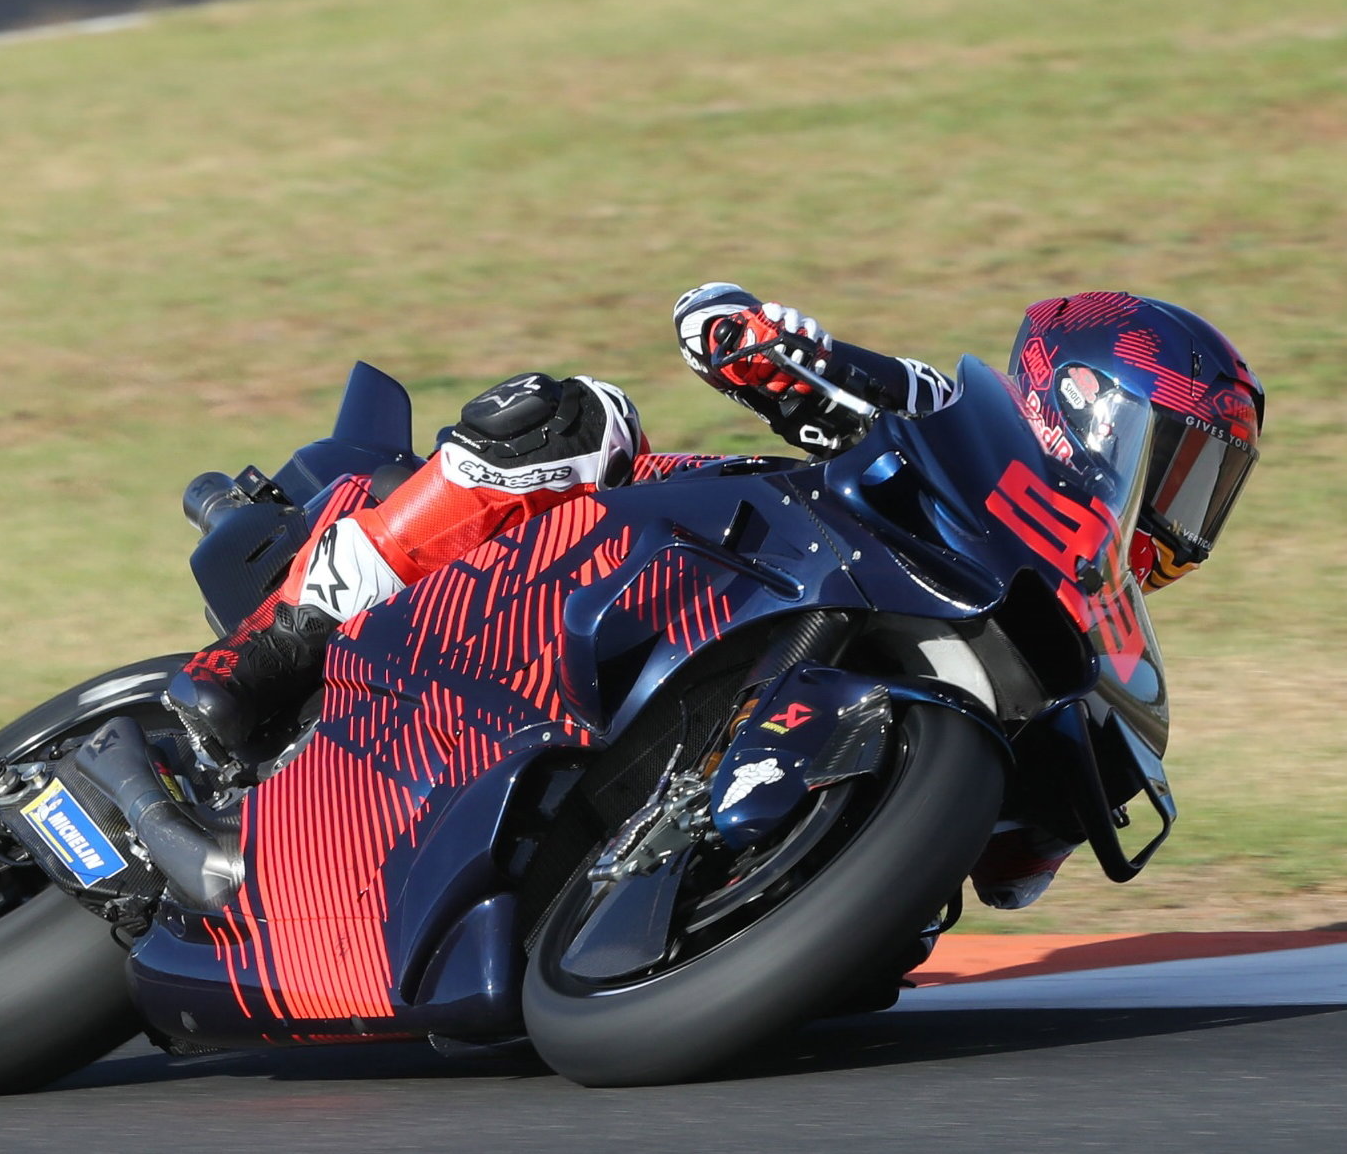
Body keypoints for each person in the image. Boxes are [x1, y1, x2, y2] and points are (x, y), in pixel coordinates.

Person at [166, 283, 1264, 910]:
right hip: (659, 551)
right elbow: (726, 330)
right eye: (1182, 466)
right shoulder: (957, 417)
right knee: (577, 417)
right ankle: (270, 651)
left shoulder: (1091, 606)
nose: (1185, 512)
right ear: (1088, 401)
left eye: (1210, 488)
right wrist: (772, 345)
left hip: (788, 656)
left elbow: (1009, 883)